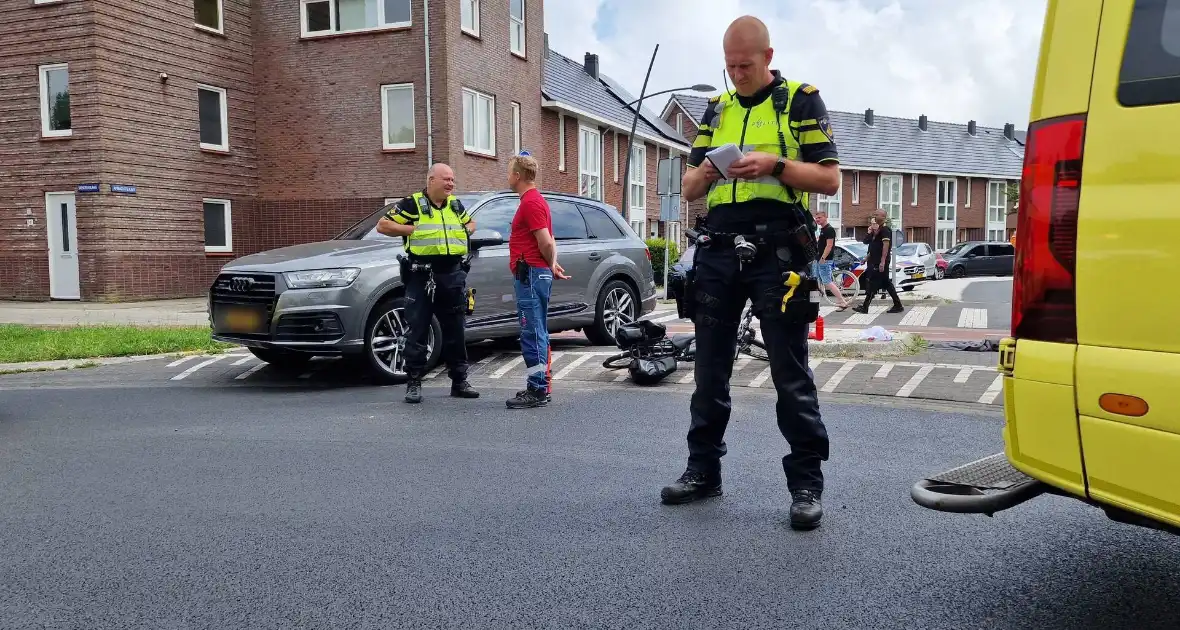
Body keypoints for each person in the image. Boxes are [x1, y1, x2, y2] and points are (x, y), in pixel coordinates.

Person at [660, 15, 839, 531]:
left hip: (776, 249)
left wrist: (773, 165)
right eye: (729, 65)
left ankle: (806, 484)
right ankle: (702, 471)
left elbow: (828, 177)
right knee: (709, 367)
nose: (736, 74)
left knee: (789, 370)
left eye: (745, 65)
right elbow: (689, 190)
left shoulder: (801, 101)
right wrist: (711, 168)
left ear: (768, 57)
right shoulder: (715, 109)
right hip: (717, 247)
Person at [375, 163, 480, 404]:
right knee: (418, 330)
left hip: (452, 275)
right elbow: (383, 225)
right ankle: (413, 382)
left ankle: (459, 381)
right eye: (446, 179)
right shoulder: (412, 204)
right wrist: (412, 229)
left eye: (453, 180)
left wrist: (463, 231)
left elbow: (472, 224)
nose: (450, 184)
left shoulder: (454, 204)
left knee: (455, 330)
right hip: (421, 275)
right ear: (431, 180)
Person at [503, 154, 570, 409]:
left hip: (530, 274)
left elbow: (546, 241)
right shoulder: (534, 201)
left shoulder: (531, 203)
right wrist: (550, 264)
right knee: (536, 329)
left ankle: (538, 389)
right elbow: (548, 240)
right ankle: (539, 385)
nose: (508, 176)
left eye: (509, 171)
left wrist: (547, 263)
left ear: (518, 175)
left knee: (531, 331)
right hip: (533, 272)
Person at [853, 209, 904, 314]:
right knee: (886, 283)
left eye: (876, 215)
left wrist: (882, 262)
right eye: (874, 214)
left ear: (883, 217)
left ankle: (865, 307)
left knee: (873, 283)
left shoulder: (885, 230)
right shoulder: (876, 231)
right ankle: (898, 305)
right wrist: (866, 258)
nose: (874, 216)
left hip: (879, 262)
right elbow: (871, 246)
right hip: (874, 261)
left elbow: (885, 247)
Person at [813, 210, 852, 310]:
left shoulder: (829, 230)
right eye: (816, 218)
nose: (817, 219)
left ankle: (842, 301)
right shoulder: (822, 230)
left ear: (825, 217)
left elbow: (829, 245)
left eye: (819, 217)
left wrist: (823, 258)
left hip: (824, 260)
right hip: (818, 259)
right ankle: (815, 304)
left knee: (827, 282)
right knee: (815, 280)